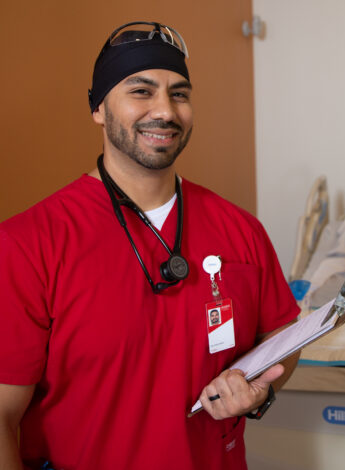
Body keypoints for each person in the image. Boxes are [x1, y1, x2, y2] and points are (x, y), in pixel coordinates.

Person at [0, 21, 300, 470]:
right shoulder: (29, 243)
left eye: (179, 94)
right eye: (141, 91)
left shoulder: (241, 229)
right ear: (98, 108)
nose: (165, 110)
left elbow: (282, 336)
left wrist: (257, 386)